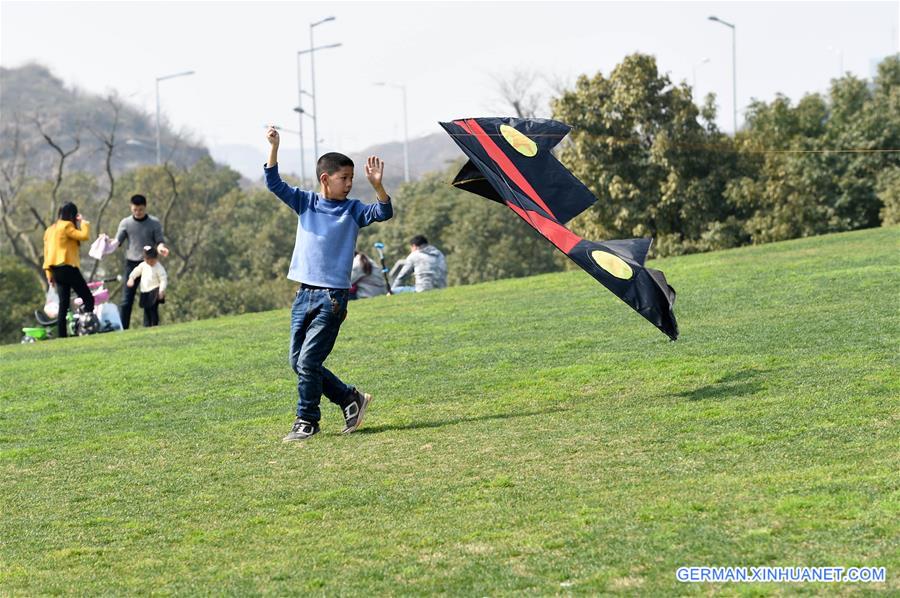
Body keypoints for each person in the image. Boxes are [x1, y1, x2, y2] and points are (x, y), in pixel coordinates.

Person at [264, 125, 393, 442]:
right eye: (344, 178)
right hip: (303, 294)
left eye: (352, 179)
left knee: (309, 361)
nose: (349, 184)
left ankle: (306, 420)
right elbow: (273, 182)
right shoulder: (305, 202)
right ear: (325, 179)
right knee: (298, 362)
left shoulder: (353, 210)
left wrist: (378, 187)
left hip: (333, 299)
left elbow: (384, 211)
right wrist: (274, 147)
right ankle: (350, 398)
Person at [114, 194, 169, 329]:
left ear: (145, 208)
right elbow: (117, 242)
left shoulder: (154, 223)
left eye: (141, 210)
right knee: (126, 300)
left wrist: (161, 248)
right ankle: (123, 328)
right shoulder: (125, 223)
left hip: (149, 264)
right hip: (132, 264)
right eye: (135, 210)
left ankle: (148, 327)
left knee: (150, 298)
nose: (138, 213)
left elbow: (159, 240)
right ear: (131, 208)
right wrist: (105, 243)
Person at [42, 202, 94, 338]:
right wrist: (84, 222)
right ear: (72, 215)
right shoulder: (66, 226)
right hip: (67, 268)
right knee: (88, 299)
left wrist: (48, 274)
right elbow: (84, 236)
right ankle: (86, 328)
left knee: (63, 305)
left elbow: (46, 254)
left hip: (55, 270)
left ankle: (62, 336)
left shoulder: (50, 229)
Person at [126, 245, 168, 328]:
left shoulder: (159, 268)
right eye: (148, 260)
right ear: (145, 259)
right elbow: (136, 271)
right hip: (145, 291)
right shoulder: (143, 265)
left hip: (154, 290)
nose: (151, 262)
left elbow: (163, 279)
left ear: (156, 258)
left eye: (153, 260)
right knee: (146, 309)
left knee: (153, 309)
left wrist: (161, 290)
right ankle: (147, 326)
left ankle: (154, 325)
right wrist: (131, 278)